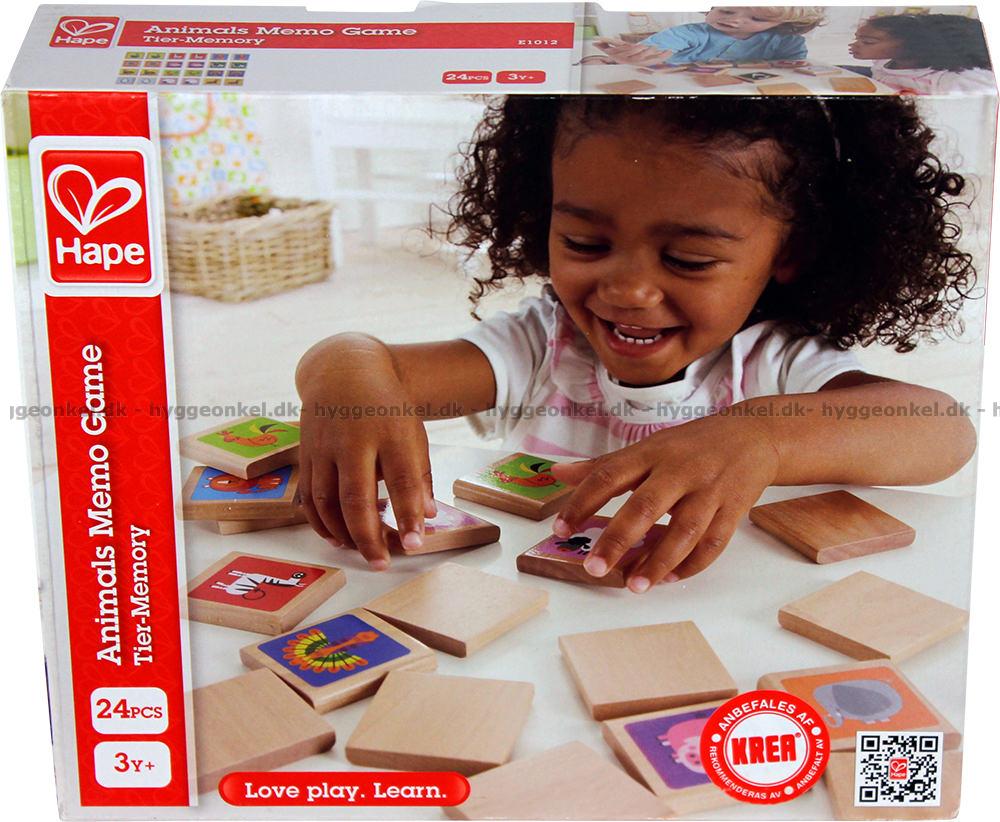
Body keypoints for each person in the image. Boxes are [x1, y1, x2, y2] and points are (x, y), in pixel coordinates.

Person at [295, 95, 977, 593]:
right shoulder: (542, 345)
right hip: (533, 620)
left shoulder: (774, 364)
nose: (627, 290)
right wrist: (343, 374)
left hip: (716, 631)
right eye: (585, 243)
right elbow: (365, 365)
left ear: (790, 252)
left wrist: (764, 438)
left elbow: (941, 429)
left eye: (687, 259)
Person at [595, 6, 825, 66]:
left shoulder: (787, 42)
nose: (735, 20)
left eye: (757, 18)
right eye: (726, 10)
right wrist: (636, 55)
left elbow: (793, 69)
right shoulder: (688, 33)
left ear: (784, 24)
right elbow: (653, 50)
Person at [849, 13, 993, 94]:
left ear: (911, 46)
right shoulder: (882, 63)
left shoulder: (950, 81)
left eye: (868, 42)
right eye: (858, 38)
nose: (854, 45)